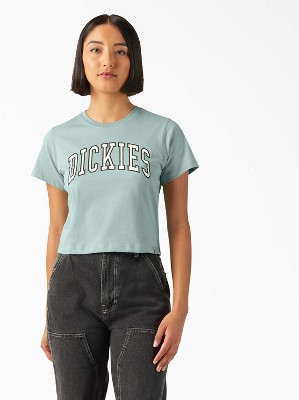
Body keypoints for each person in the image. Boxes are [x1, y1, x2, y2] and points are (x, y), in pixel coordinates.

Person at [31, 13, 199, 400]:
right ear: (82, 59)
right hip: (72, 287)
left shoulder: (164, 133)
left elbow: (179, 225)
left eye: (120, 51)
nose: (108, 60)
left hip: (142, 286)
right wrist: (48, 312)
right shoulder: (58, 139)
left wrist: (181, 309)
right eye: (96, 50)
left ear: (133, 60)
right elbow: (56, 229)